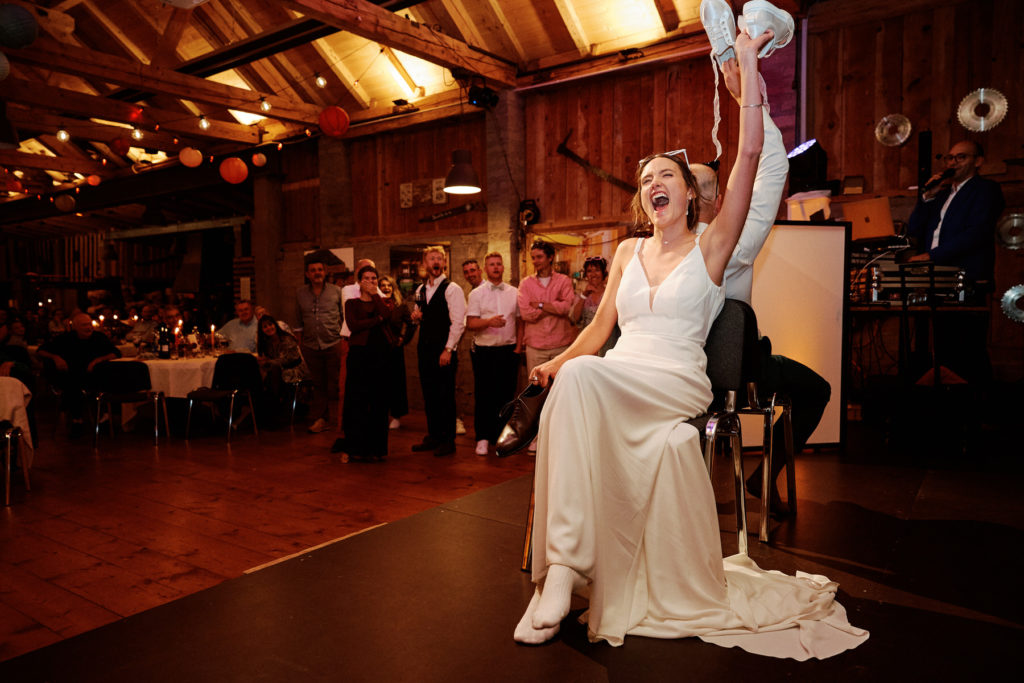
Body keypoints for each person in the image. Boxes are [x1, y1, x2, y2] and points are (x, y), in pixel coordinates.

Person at [513, 23, 867, 659]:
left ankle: (562, 569)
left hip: (675, 378)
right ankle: (562, 572)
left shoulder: (713, 247)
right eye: (645, 176)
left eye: (666, 173)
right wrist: (553, 365)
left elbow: (753, 156)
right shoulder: (624, 250)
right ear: (644, 198)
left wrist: (750, 70)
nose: (654, 180)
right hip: (617, 371)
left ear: (688, 193)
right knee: (575, 377)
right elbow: (598, 332)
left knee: (582, 381)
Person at [689, 57, 830, 517]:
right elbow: (771, 168)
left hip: (677, 375)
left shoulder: (652, 250)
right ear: (717, 200)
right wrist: (747, 95)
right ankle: (763, 478)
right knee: (816, 389)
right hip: (730, 378)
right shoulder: (732, 241)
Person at [906, 140, 1005, 385]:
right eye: (950, 158)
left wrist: (932, 256)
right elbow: (915, 229)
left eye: (961, 158)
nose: (953, 163)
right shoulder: (942, 196)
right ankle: (948, 403)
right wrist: (926, 198)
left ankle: (977, 406)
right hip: (938, 276)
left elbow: (977, 233)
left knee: (969, 346)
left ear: (978, 161)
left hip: (967, 275)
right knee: (944, 343)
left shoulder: (985, 190)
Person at [410, 246, 466, 457]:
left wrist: (448, 349)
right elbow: (421, 315)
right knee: (429, 393)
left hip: (444, 349)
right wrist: (416, 316)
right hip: (424, 348)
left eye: (439, 259)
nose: (435, 262)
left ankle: (447, 440)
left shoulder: (452, 289)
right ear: (425, 264)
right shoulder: (420, 290)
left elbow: (459, 322)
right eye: (431, 258)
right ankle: (433, 436)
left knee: (445, 394)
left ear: (443, 263)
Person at [465, 252, 520, 456]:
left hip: (508, 349)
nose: (495, 267)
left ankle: (501, 437)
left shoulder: (515, 292)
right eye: (491, 265)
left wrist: (518, 347)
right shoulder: (476, 294)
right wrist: (489, 322)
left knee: (506, 396)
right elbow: (471, 323)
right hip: (485, 351)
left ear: (503, 267)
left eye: (498, 264)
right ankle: (483, 438)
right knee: (484, 395)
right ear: (485, 269)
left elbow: (520, 321)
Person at [339, 265, 392, 461]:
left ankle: (376, 449)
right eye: (367, 278)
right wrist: (375, 320)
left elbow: (386, 316)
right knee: (357, 401)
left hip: (379, 355)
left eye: (374, 278)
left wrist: (376, 298)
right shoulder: (351, 303)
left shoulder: (383, 301)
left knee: (378, 402)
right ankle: (354, 448)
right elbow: (354, 326)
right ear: (359, 282)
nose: (371, 282)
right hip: (359, 355)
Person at [37, 312, 121, 436]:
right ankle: (79, 419)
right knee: (72, 381)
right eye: (84, 325)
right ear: (75, 327)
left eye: (89, 324)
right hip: (70, 375)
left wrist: (97, 360)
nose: (89, 328)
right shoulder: (65, 339)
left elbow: (116, 353)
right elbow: (41, 351)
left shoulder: (99, 337)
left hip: (92, 375)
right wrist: (55, 357)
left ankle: (98, 417)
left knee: (110, 377)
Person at [295, 258, 345, 433]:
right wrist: (300, 346)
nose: (317, 273)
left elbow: (344, 317)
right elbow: (298, 322)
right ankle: (322, 419)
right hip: (310, 346)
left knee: (336, 383)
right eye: (313, 270)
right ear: (307, 274)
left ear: (325, 273)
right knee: (318, 385)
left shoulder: (337, 292)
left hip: (333, 343)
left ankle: (340, 419)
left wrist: (344, 342)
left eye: (320, 270)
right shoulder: (300, 293)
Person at [518, 241, 577, 382]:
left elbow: (566, 308)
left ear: (550, 257)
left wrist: (539, 305)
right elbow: (526, 314)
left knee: (562, 386)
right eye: (533, 257)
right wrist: (554, 307)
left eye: (539, 257)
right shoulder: (525, 284)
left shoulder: (563, 281)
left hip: (561, 345)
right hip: (535, 347)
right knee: (536, 388)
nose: (535, 261)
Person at [257, 314, 309, 417]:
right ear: (262, 330)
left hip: (295, 369)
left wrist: (269, 362)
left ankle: (274, 407)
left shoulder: (286, 339)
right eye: (265, 326)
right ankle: (268, 407)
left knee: (273, 373)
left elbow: (288, 359)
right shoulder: (267, 342)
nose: (269, 328)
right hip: (280, 369)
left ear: (275, 325)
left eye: (270, 324)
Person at [377, 275, 412, 430]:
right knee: (379, 384)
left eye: (389, 285)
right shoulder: (375, 304)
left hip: (394, 350)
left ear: (393, 287)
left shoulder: (401, 306)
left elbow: (412, 323)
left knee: (396, 384)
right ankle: (380, 414)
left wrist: (403, 339)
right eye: (383, 285)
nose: (386, 288)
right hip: (377, 350)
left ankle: (396, 416)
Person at [568, 256, 618, 356]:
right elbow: (575, 318)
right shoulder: (582, 296)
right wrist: (584, 295)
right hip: (587, 346)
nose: (593, 274)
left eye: (597, 270)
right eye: (589, 271)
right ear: (586, 274)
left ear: (604, 273)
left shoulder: (612, 293)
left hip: (609, 345)